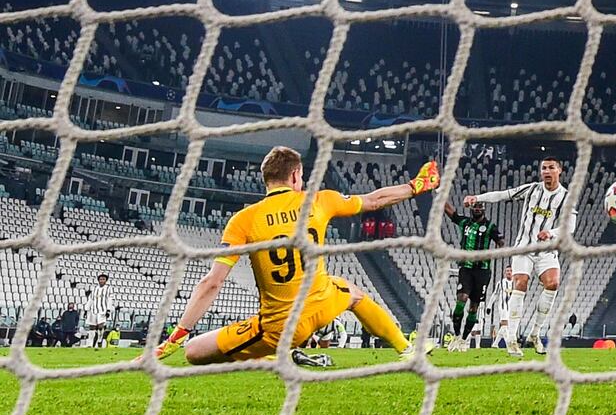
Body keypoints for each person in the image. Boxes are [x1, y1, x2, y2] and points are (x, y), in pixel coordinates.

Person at [149, 146, 440, 364]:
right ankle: (406, 348)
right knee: (352, 293)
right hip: (321, 305)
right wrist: (416, 186)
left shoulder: (244, 220)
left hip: (280, 326)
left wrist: (179, 333)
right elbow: (375, 200)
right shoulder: (320, 200)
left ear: (266, 178)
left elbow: (212, 283)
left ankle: (274, 358)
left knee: (193, 353)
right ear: (296, 175)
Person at [464, 156, 577, 356]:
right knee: (520, 284)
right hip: (523, 247)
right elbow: (503, 194)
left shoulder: (566, 197)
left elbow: (570, 226)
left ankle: (535, 333)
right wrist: (478, 198)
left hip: (546, 250)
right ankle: (512, 339)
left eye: (551, 168)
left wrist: (551, 233)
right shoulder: (532, 189)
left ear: (559, 171)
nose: (546, 171)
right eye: (543, 168)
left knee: (552, 284)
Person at [444, 201, 504, 353]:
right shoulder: (464, 222)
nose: (477, 209)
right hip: (466, 268)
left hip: (482, 271)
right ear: (471, 209)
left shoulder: (490, 226)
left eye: (479, 207)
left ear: (483, 209)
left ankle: (464, 339)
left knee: (473, 307)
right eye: (475, 207)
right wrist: (440, 194)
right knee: (461, 300)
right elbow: (451, 212)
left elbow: (500, 241)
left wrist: (498, 247)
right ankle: (456, 336)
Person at [85, 273, 114, 348]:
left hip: (102, 311)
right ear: (98, 280)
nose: (102, 280)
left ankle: (100, 340)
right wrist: (86, 309)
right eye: (100, 279)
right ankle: (90, 344)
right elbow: (91, 299)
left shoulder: (108, 289)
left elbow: (110, 299)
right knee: (92, 327)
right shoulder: (95, 289)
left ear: (106, 281)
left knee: (101, 327)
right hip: (93, 310)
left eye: (103, 279)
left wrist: (108, 310)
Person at [489, 266, 514, 349]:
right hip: (503, 306)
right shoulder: (501, 283)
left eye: (510, 271)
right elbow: (495, 294)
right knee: (504, 325)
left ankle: (495, 344)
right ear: (504, 273)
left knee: (506, 326)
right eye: (507, 271)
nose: (509, 272)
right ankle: (509, 345)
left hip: (512, 307)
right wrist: (489, 305)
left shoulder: (516, 283)